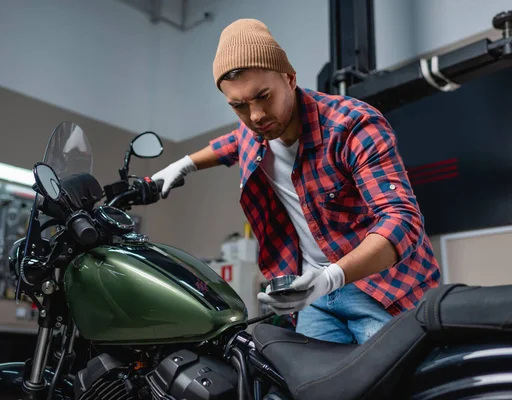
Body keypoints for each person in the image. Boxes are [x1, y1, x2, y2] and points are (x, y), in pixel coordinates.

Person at [151, 18, 440, 344]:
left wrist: (331, 277)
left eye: (263, 96)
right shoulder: (253, 131)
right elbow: (230, 144)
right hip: (314, 298)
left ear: (289, 78)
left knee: (397, 382)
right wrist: (184, 164)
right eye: (239, 106)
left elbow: (403, 220)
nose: (256, 115)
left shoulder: (353, 126)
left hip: (382, 288)